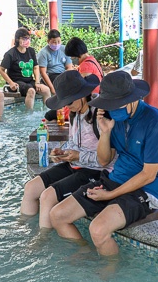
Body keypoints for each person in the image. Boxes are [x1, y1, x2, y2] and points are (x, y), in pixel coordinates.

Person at [49, 71, 158, 256]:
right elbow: (104, 160)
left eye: (116, 104)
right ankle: (85, 258)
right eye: (109, 104)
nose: (112, 109)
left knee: (98, 229)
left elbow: (149, 175)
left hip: (145, 190)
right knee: (57, 215)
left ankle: (110, 274)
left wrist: (110, 195)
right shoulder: (114, 119)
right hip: (113, 179)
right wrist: (105, 132)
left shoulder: (155, 122)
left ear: (132, 99)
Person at [21, 70, 110, 228]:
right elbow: (74, 143)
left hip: (94, 171)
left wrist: (78, 156)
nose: (65, 106)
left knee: (47, 196)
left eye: (68, 102)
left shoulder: (101, 115)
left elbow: (108, 159)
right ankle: (23, 230)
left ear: (81, 95)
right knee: (30, 188)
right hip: (75, 165)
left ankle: (42, 242)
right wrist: (62, 152)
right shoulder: (75, 112)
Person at [0, 27, 50, 109]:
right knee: (31, 91)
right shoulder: (11, 54)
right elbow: (1, 70)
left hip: (29, 81)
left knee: (46, 90)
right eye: (24, 38)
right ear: (18, 39)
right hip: (16, 82)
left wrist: (37, 82)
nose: (27, 40)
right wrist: (10, 83)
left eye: (28, 38)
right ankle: (29, 115)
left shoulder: (31, 51)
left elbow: (36, 67)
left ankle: (47, 112)